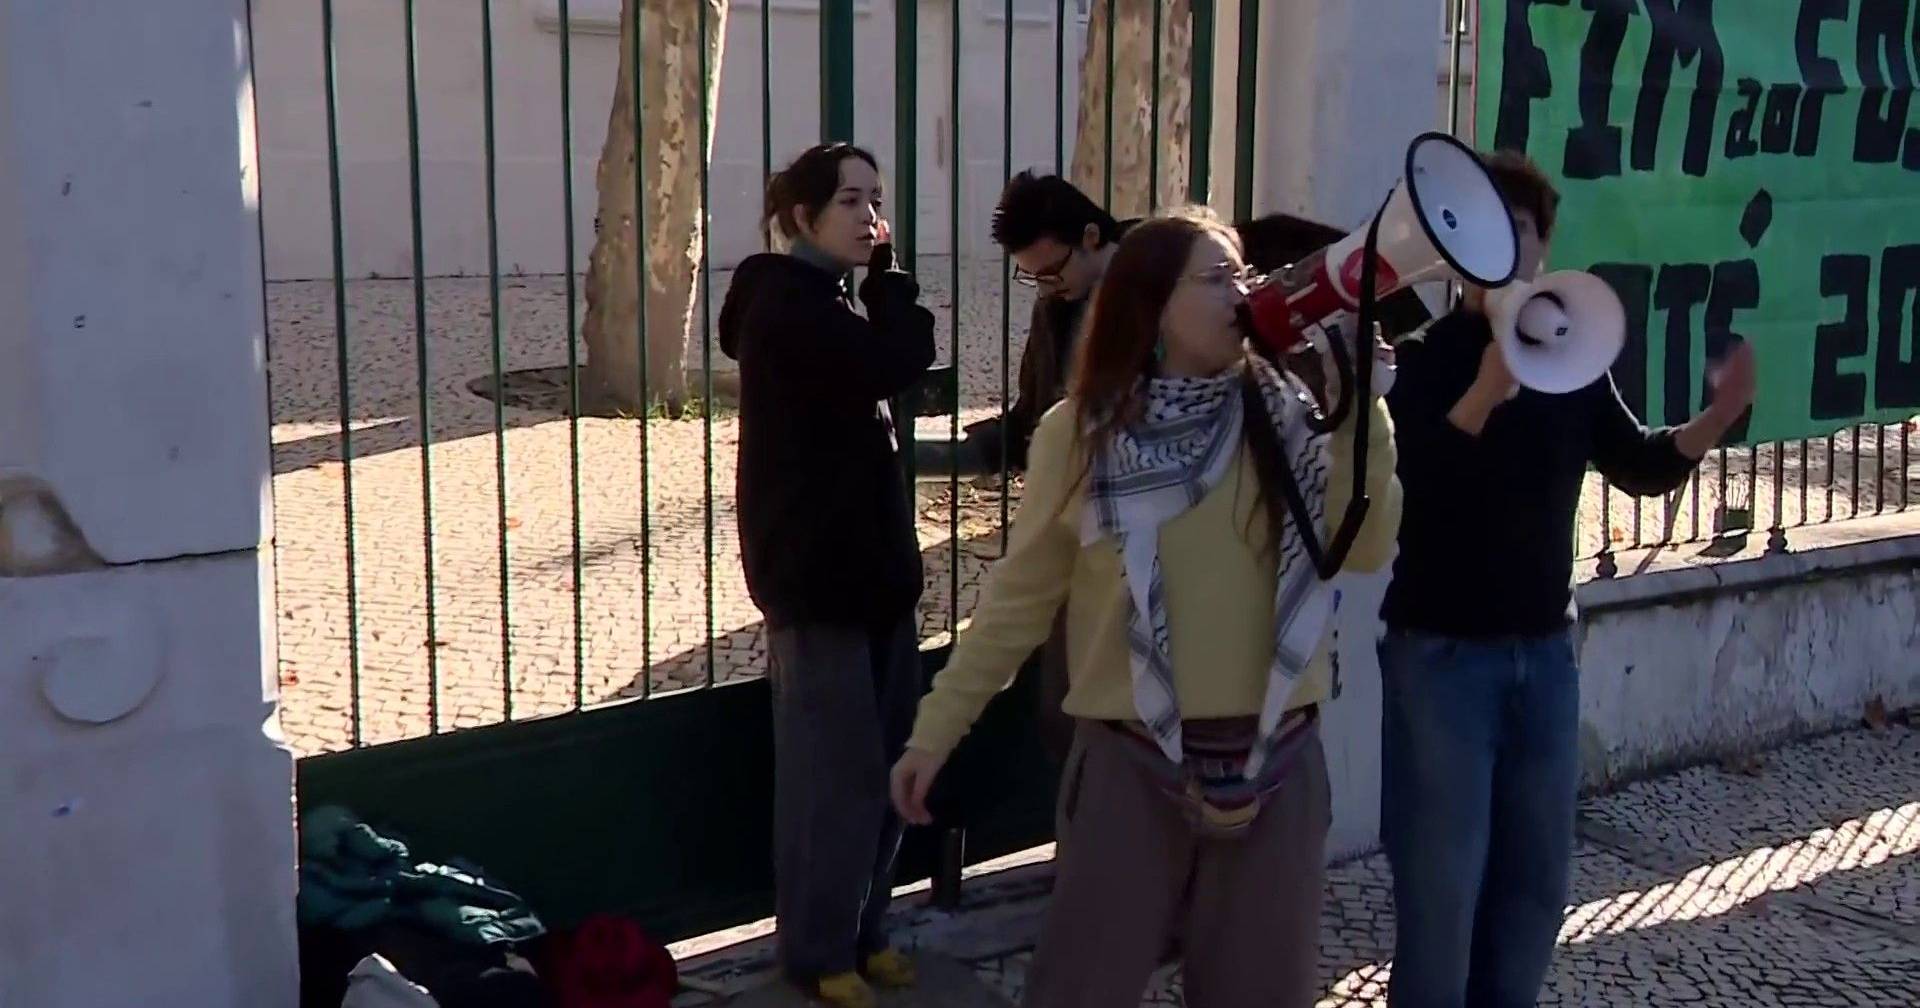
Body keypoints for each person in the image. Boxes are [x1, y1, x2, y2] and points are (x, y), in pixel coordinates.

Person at [890, 205, 1403, 1008]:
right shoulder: (1081, 432)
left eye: (1245, 273)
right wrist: (936, 730)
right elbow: (1019, 602)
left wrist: (1363, 411)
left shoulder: (1288, 414)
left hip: (1278, 767)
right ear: (1153, 304)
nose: (1243, 292)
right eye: (1217, 277)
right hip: (1132, 771)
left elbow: (1363, 549)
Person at [1377, 149, 1758, 1008]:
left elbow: (1638, 465)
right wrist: (1483, 393)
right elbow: (1409, 486)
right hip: (1441, 661)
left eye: (1526, 230)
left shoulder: (1571, 353)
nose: (1511, 247)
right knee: (1441, 895)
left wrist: (1716, 417)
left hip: (1546, 659)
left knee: (1533, 889)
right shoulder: (1424, 358)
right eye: (1490, 228)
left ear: (1547, 248)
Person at [715, 141, 936, 1008]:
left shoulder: (837, 304)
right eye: (851, 201)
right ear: (803, 217)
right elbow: (895, 360)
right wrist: (893, 287)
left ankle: (866, 929)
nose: (870, 218)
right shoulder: (782, 303)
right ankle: (816, 951)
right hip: (816, 584)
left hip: (880, 576)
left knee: (888, 769)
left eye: (876, 200)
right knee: (830, 779)